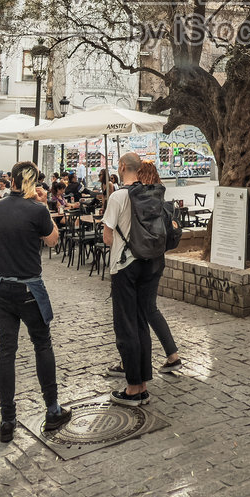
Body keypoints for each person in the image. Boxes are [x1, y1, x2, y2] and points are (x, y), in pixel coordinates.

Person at [0, 162, 72, 442]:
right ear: (32, 183)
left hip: (1, 287)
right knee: (42, 344)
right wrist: (45, 207)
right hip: (29, 289)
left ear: (11, 180)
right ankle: (52, 409)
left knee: (6, 351)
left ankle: (7, 419)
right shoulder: (36, 209)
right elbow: (53, 241)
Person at [102, 153, 171, 406]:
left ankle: (133, 388)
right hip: (150, 263)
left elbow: (108, 238)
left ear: (122, 167)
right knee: (141, 323)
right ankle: (142, 384)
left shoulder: (118, 196)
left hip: (125, 266)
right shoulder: (152, 193)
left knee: (126, 326)